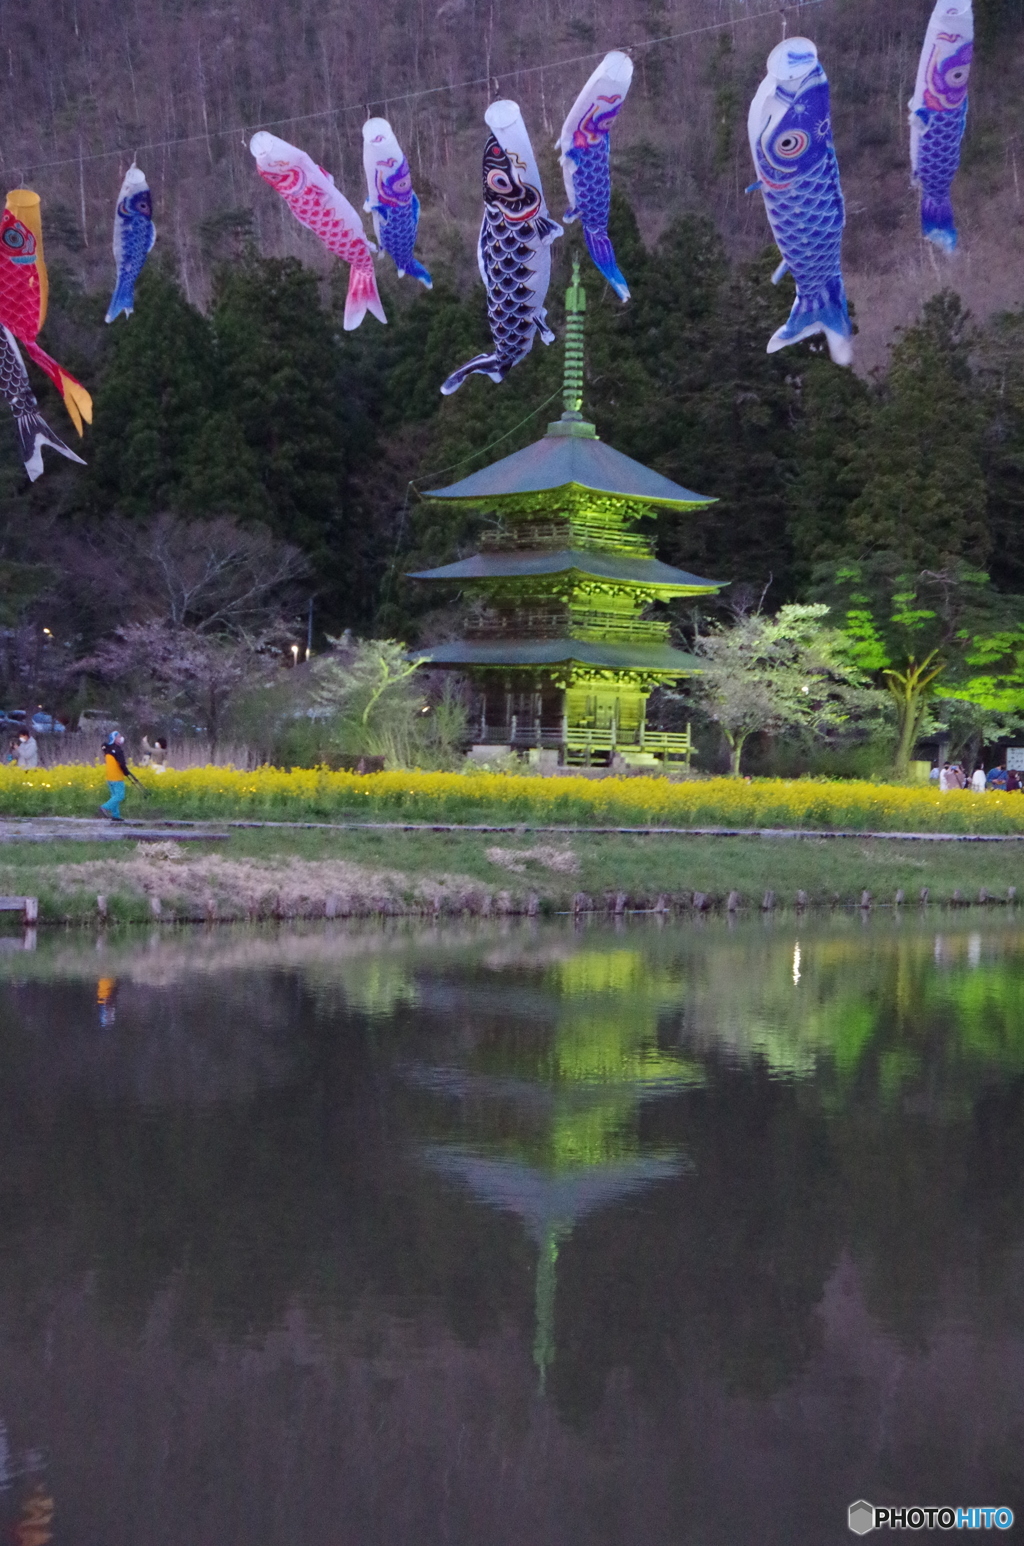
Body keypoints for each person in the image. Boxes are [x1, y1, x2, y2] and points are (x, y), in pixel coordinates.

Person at [99, 732, 141, 821]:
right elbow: (122, 764)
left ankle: (116, 815)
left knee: (114, 796)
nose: (121, 738)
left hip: (109, 777)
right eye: (118, 737)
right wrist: (126, 772)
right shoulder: (118, 750)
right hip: (117, 777)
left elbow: (104, 746)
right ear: (114, 739)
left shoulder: (107, 748)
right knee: (119, 796)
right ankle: (105, 807)